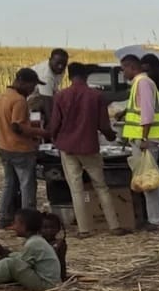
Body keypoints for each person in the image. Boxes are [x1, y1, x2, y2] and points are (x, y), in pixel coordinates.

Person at [49, 62, 126, 237]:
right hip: (89, 146)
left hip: (67, 147)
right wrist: (111, 136)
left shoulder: (61, 96)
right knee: (101, 186)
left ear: (69, 76)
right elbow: (104, 125)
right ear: (86, 77)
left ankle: (84, 229)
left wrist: (54, 138)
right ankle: (114, 226)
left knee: (77, 189)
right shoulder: (96, 96)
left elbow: (54, 124)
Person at [0, 68, 47, 230]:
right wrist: (40, 132)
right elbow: (17, 126)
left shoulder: (2, 96)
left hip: (4, 146)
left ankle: (3, 217)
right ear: (23, 82)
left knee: (9, 184)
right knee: (27, 186)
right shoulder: (19, 101)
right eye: (32, 86)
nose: (33, 90)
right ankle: (28, 222)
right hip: (21, 150)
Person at [120, 55, 159, 229]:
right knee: (144, 179)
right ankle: (151, 218)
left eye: (123, 69)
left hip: (145, 140)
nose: (123, 73)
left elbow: (147, 113)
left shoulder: (143, 83)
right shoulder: (140, 83)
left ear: (131, 67)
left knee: (149, 180)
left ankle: (156, 220)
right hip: (140, 139)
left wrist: (144, 138)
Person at [0, 209, 61, 291]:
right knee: (11, 261)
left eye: (15, 223)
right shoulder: (36, 240)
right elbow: (21, 257)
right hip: (48, 282)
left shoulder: (34, 243)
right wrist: (0, 253)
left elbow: (20, 264)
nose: (13, 227)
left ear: (24, 226)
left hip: (46, 285)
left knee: (10, 264)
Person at [28, 48, 68, 125]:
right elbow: (47, 101)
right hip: (31, 99)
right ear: (50, 60)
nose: (60, 67)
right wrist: (52, 124)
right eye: (58, 63)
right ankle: (36, 130)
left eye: (64, 64)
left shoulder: (59, 69)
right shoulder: (46, 76)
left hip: (41, 95)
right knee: (40, 112)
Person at [40, 212, 68, 280]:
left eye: (52, 227)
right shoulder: (37, 242)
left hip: (52, 275)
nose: (49, 230)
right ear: (39, 229)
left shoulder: (59, 244)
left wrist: (62, 277)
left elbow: (62, 262)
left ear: (58, 229)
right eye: (45, 228)